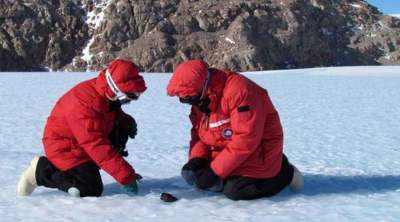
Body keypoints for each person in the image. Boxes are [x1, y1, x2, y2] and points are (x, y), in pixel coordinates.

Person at [167, 60, 304, 200]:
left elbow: (246, 139)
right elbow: (199, 134)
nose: (188, 103)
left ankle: (285, 173)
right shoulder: (202, 99)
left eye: (189, 98)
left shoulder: (240, 92)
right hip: (231, 152)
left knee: (235, 190)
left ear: (202, 87)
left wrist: (215, 171)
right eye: (183, 100)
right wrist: (197, 159)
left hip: (260, 151)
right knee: (195, 175)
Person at [17, 59, 146, 197]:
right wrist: (126, 176)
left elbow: (109, 113)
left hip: (81, 143)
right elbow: (96, 145)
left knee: (122, 128)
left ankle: (90, 168)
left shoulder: (104, 92)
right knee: (90, 189)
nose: (130, 101)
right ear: (115, 90)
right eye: (129, 97)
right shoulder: (85, 104)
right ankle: (41, 172)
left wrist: (126, 121)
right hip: (64, 148)